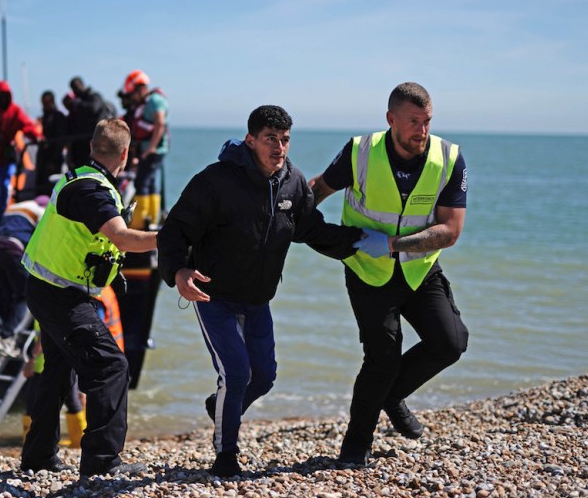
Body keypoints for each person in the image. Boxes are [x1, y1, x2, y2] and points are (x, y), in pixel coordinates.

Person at [156, 105, 362, 477]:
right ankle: (225, 456)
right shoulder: (215, 181)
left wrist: (359, 242)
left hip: (257, 298)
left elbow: (310, 229)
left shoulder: (293, 182)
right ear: (250, 140)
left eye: (284, 140)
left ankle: (220, 407)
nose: (278, 147)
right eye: (270, 139)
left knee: (263, 377)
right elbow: (174, 230)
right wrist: (177, 271)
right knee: (236, 373)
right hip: (213, 294)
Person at [307, 82, 469, 467]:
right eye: (413, 122)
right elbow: (318, 189)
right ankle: (355, 446)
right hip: (368, 270)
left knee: (450, 342)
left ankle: (392, 396)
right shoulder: (360, 151)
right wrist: (285, 220)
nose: (422, 131)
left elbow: (450, 231)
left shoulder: (449, 158)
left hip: (419, 270)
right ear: (391, 119)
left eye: (427, 121)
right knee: (382, 358)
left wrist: (394, 244)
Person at [20, 118, 156, 477]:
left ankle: (38, 457)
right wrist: (170, 237)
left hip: (47, 288)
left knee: (57, 372)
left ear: (93, 147)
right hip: (61, 295)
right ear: (125, 154)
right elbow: (122, 238)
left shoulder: (78, 178)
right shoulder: (92, 190)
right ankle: (102, 461)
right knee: (111, 367)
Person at [20, 287, 122, 448]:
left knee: (37, 403)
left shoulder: (51, 299)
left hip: (50, 363)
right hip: (81, 356)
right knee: (72, 400)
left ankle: (34, 443)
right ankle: (78, 441)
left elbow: (45, 333)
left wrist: (32, 360)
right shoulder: (100, 292)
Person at [0, 197, 48, 358]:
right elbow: (44, 238)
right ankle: (7, 338)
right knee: (25, 295)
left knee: (10, 296)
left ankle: (2, 335)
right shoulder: (40, 210)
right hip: (12, 247)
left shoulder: (13, 208)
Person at [0, 81, 39, 228]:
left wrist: (37, 137)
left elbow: (26, 125)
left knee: (5, 186)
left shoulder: (15, 111)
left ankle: (1, 216)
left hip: (5, 158)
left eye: (6, 95)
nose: (3, 98)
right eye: (1, 95)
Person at [121, 70, 168, 229]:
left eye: (133, 93)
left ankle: (140, 222)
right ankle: (151, 219)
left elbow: (160, 123)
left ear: (140, 88)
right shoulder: (147, 102)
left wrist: (151, 148)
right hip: (150, 149)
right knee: (150, 183)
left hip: (154, 151)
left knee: (142, 182)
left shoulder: (155, 100)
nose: (133, 97)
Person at [66, 76, 113, 168]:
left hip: (94, 141)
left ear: (82, 85)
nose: (75, 91)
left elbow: (93, 108)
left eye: (76, 87)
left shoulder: (94, 96)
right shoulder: (78, 102)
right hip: (81, 145)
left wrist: (77, 103)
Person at [35, 90, 69, 196]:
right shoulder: (45, 117)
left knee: (51, 187)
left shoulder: (58, 116)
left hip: (53, 159)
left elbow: (60, 139)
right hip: (44, 158)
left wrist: (54, 158)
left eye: (46, 103)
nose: (44, 105)